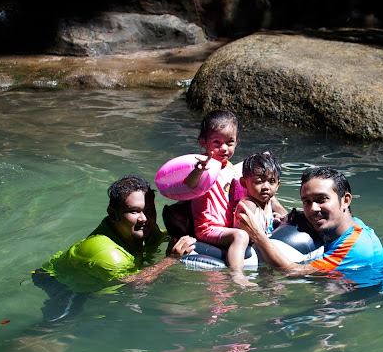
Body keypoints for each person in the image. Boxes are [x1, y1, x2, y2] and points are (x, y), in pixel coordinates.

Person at [237, 167, 383, 292]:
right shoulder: (345, 223)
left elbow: (292, 272)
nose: (313, 208)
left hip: (380, 295)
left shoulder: (355, 247)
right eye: (307, 202)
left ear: (346, 200)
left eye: (322, 199)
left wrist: (257, 234)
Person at [40, 175, 196, 294]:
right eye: (134, 211)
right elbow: (134, 284)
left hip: (97, 280)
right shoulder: (109, 255)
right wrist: (170, 259)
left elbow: (164, 237)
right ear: (113, 214)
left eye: (149, 211)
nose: (144, 219)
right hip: (62, 285)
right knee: (53, 330)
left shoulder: (145, 229)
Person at [183, 111, 254, 273]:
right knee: (241, 236)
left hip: (226, 227)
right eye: (216, 142)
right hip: (207, 228)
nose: (224, 148)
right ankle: (237, 275)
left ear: (237, 142)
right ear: (203, 142)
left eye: (230, 142)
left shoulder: (229, 167)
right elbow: (191, 186)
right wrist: (198, 171)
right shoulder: (202, 166)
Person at [233, 151, 285, 239]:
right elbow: (252, 237)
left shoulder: (269, 200)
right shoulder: (249, 205)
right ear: (244, 183)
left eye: (272, 181)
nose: (266, 187)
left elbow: (287, 217)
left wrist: (276, 220)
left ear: (278, 185)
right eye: (259, 181)